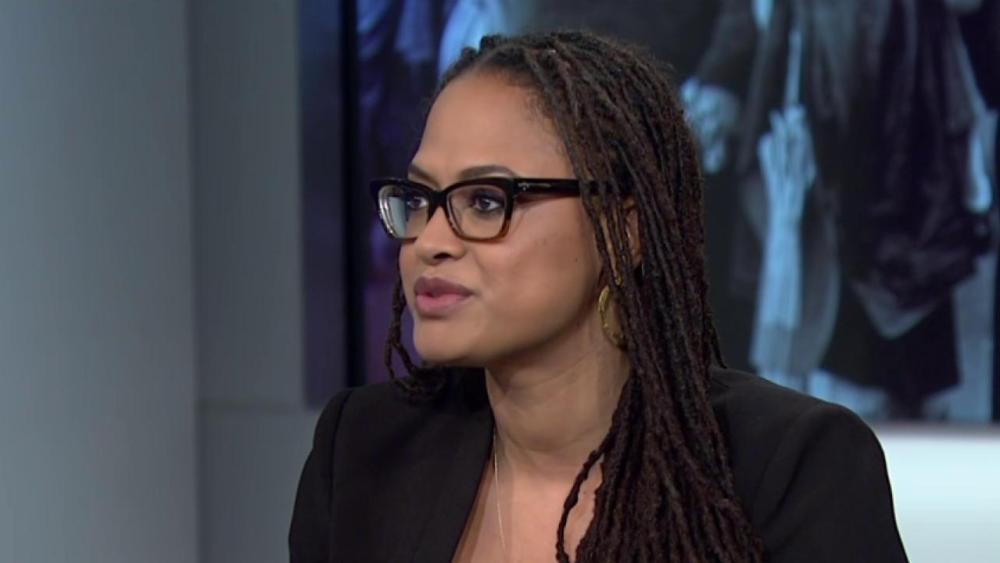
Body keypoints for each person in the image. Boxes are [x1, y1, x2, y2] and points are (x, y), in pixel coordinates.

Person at [290, 30, 908, 562]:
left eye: (485, 201)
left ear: (622, 230)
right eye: (420, 199)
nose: (430, 241)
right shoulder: (362, 450)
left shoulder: (788, 468)